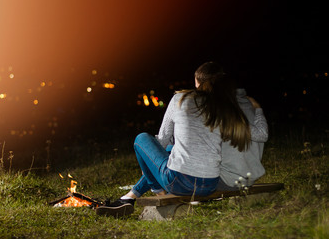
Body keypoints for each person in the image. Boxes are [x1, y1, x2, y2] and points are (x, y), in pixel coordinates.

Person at [95, 62, 268, 217]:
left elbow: (161, 140)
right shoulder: (221, 108)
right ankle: (129, 197)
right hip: (209, 183)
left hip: (179, 182)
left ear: (198, 83)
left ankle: (157, 191)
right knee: (171, 150)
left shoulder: (180, 99)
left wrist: (149, 167)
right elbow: (260, 134)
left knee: (142, 139)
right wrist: (258, 109)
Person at [216, 88, 268, 190]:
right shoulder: (252, 106)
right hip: (248, 179)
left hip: (227, 180)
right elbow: (263, 134)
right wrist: (258, 109)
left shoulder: (219, 109)